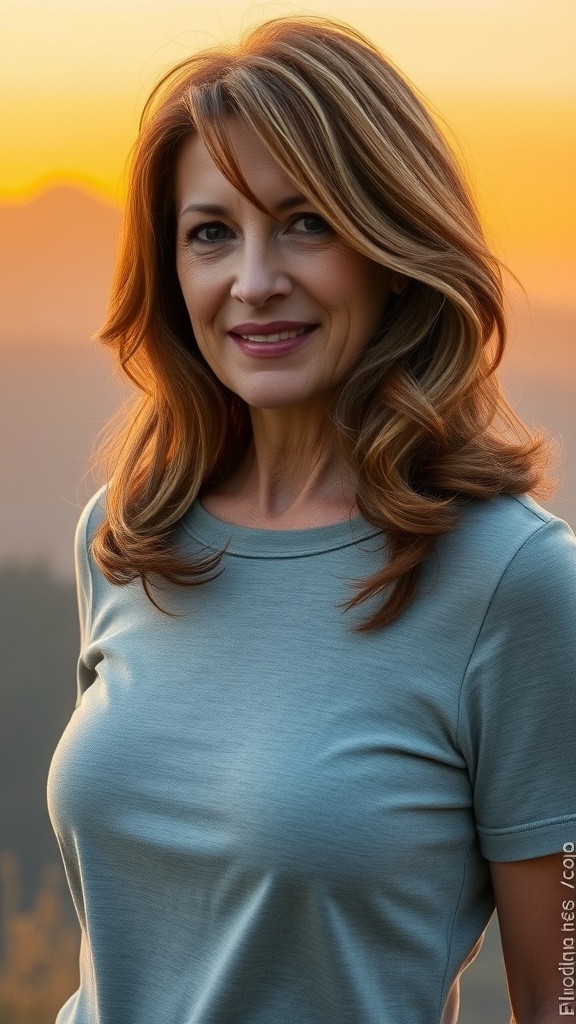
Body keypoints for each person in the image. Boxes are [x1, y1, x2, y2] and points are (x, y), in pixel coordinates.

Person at [47, 14, 576, 1024]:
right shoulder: (124, 538)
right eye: (211, 233)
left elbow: (562, 990)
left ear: (391, 245)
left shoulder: (511, 580)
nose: (252, 282)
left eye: (306, 222)